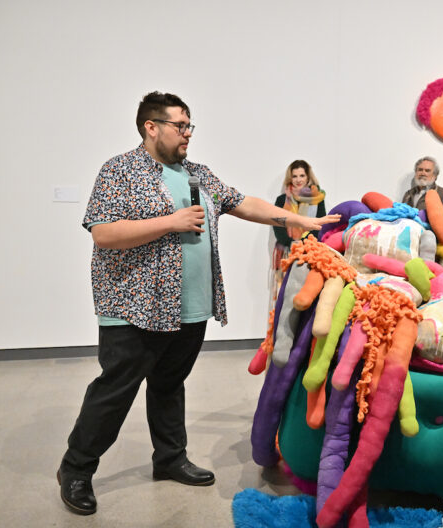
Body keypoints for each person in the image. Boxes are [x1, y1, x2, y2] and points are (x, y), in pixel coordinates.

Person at [57, 92, 340, 516]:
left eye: (191, 126)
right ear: (151, 127)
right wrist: (170, 222)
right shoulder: (120, 170)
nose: (188, 134)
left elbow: (241, 201)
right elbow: (103, 233)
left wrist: (292, 218)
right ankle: (75, 469)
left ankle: (169, 458)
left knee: (170, 386)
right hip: (135, 306)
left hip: (190, 306)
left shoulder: (197, 173)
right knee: (115, 391)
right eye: (180, 126)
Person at [270, 160, 326, 303]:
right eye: (295, 176)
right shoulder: (282, 199)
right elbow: (278, 225)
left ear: (308, 177)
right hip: (287, 252)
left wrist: (304, 244)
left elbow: (320, 224)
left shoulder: (317, 198)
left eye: (302, 175)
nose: (298, 180)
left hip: (309, 253)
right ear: (290, 178)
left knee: (306, 294)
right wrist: (292, 243)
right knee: (285, 295)